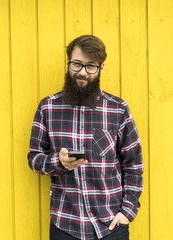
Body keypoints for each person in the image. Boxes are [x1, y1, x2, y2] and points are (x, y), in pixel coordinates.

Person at [28, 35, 143, 240]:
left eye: (90, 66)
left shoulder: (118, 109)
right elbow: (34, 158)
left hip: (111, 227)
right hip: (65, 225)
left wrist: (127, 211)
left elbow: (133, 163)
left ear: (101, 68)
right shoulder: (48, 108)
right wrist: (58, 162)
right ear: (67, 63)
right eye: (77, 64)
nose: (82, 72)